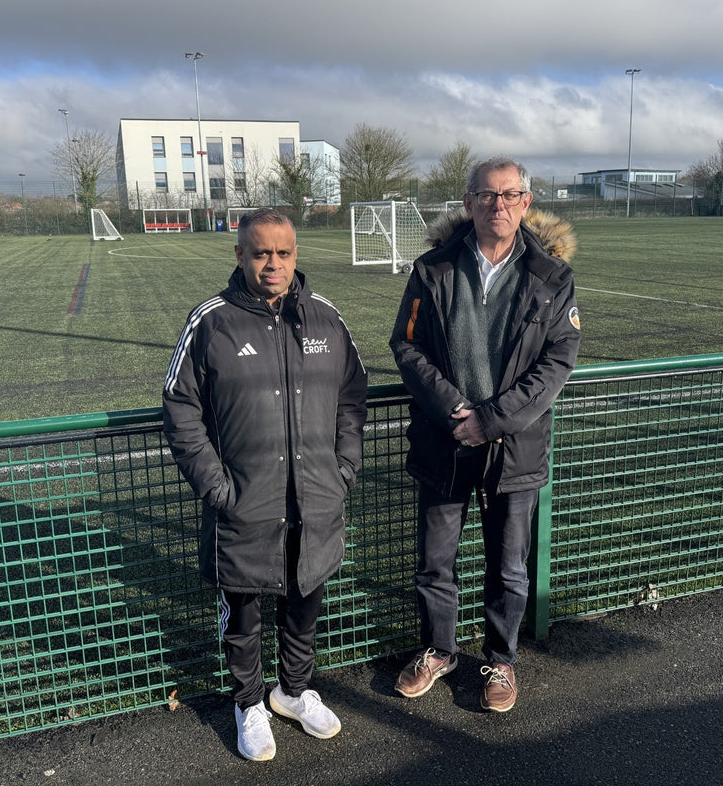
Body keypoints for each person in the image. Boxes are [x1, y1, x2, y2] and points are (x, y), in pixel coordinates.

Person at [162, 207, 367, 760]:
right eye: (260, 253)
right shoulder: (211, 321)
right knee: (244, 613)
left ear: (296, 255)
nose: (272, 264)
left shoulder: (326, 318)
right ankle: (248, 703)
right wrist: (217, 487)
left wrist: (343, 468)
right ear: (240, 256)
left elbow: (353, 398)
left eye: (283, 253)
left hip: (317, 501)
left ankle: (294, 692)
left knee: (305, 602)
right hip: (244, 505)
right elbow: (181, 408)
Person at [389, 156, 580, 712]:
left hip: (513, 448)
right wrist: (454, 409)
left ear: (525, 202)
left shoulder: (552, 277)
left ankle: (501, 660)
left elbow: (556, 364)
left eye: (510, 195)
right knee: (435, 561)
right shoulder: (433, 269)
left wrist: (491, 420)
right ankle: (440, 650)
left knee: (509, 565)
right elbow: (406, 345)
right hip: (443, 441)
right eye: (487, 196)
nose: (499, 205)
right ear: (469, 202)